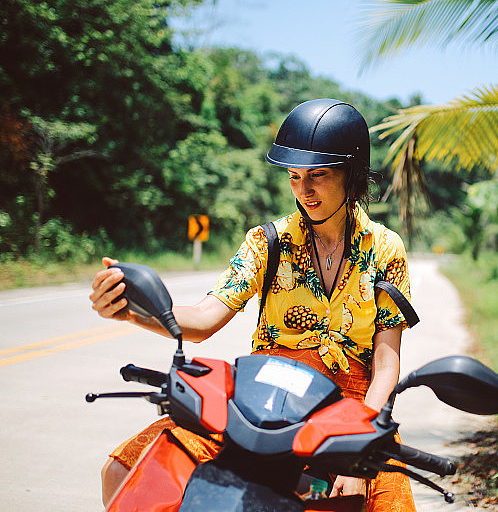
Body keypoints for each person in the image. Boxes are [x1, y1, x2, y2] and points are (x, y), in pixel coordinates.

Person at [90, 98, 417, 511]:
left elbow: (387, 366)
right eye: (295, 177)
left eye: (318, 175)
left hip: (351, 409)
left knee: (387, 499)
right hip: (265, 398)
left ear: (350, 175)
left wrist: (358, 449)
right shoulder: (267, 242)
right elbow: (206, 317)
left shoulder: (386, 249)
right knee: (126, 471)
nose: (304, 190)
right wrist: (131, 311)